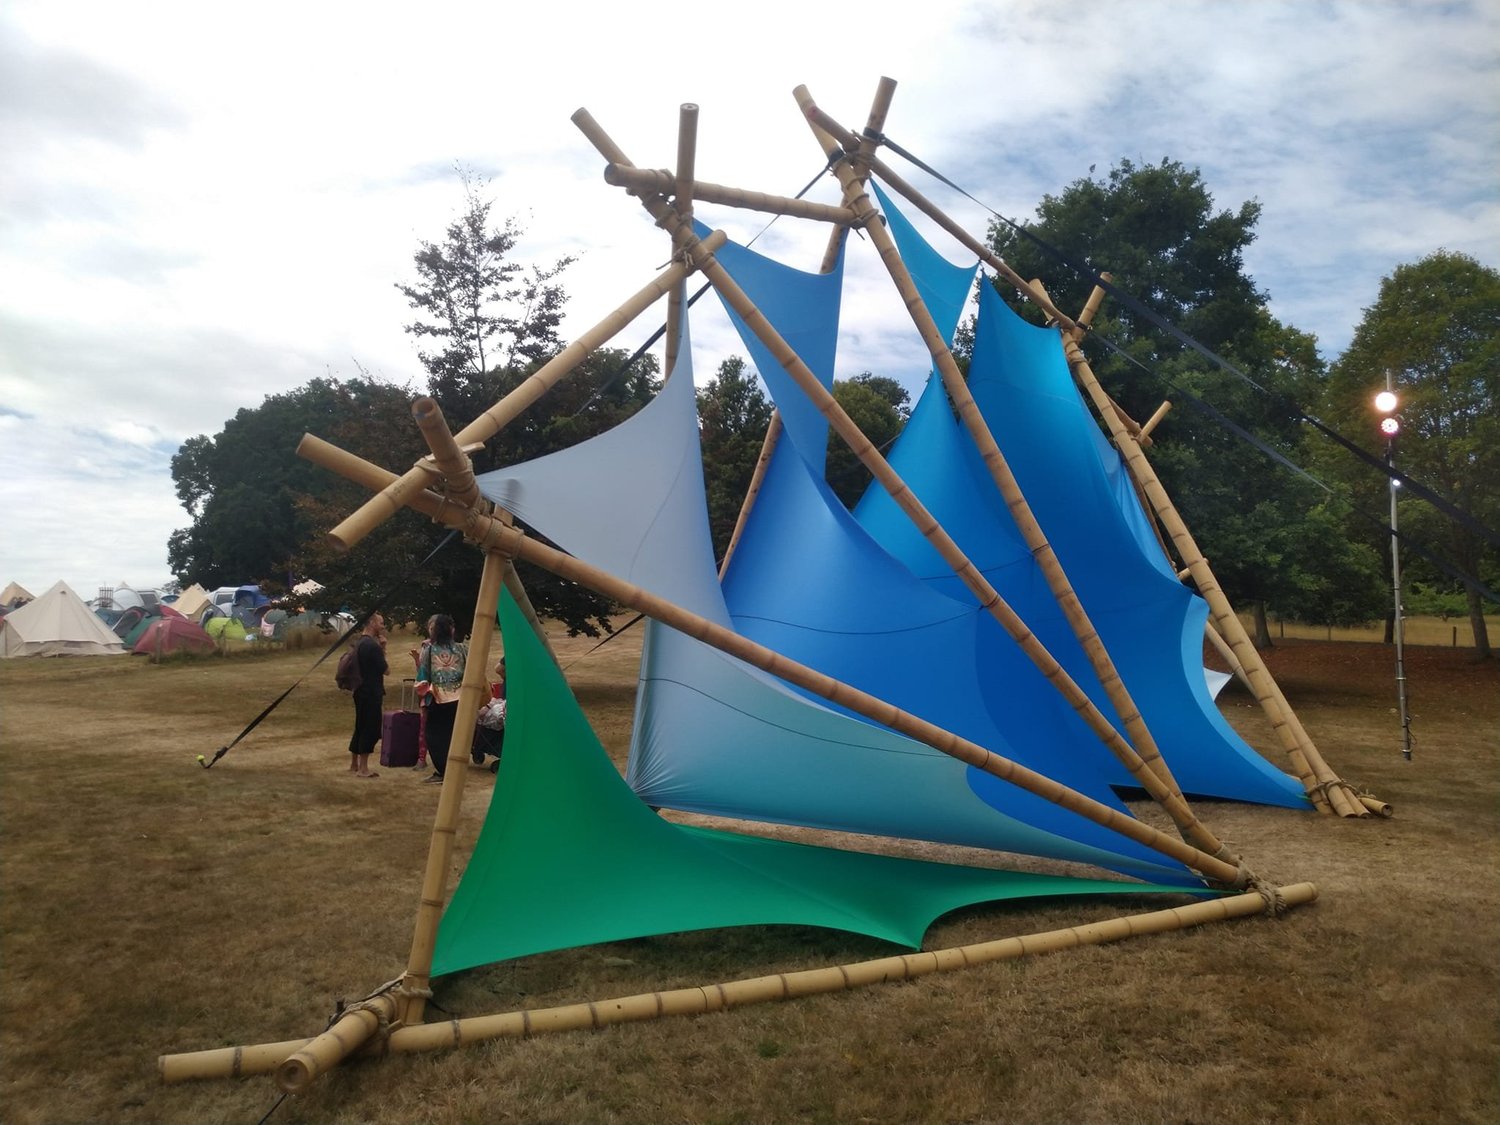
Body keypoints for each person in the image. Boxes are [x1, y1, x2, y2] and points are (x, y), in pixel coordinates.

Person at [414, 614, 467, 784]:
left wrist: (422, 692)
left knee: (434, 735)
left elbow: (423, 675)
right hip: (459, 698)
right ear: (452, 629)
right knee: (454, 734)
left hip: (437, 699)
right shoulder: (462, 649)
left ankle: (443, 771)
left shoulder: (429, 650)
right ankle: (454, 771)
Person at [346, 613, 388, 778]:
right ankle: (363, 768)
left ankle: (354, 764)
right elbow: (386, 670)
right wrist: (383, 648)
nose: (383, 626)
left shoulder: (359, 643)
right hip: (371, 691)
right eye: (381, 623)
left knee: (360, 725)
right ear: (372, 623)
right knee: (370, 727)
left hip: (359, 690)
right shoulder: (372, 646)